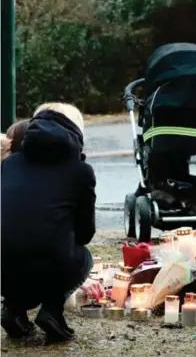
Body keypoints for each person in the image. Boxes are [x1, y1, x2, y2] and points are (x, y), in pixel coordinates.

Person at [1, 103, 103, 343]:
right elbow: (85, 233)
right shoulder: (81, 171)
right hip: (53, 265)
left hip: (3, 269)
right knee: (81, 256)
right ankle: (52, 311)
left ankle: (13, 309)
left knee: (17, 246)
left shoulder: (10, 164)